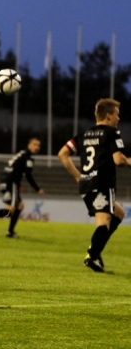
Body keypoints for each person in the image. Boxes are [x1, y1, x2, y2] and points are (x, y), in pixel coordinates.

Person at [58, 98, 129, 272]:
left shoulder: (84, 134)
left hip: (86, 184)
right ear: (108, 115)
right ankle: (91, 255)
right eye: (117, 115)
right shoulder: (112, 133)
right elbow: (118, 160)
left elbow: (62, 154)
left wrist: (77, 176)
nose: (118, 119)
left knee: (118, 213)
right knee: (104, 222)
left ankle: (96, 249)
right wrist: (128, 160)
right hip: (102, 183)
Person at [0, 137, 45, 237]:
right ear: (29, 145)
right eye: (34, 144)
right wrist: (37, 188)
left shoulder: (22, 154)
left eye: (38, 145)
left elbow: (15, 168)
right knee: (19, 206)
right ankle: (8, 231)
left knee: (10, 211)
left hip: (5, 181)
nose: (36, 147)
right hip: (11, 183)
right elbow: (28, 175)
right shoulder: (28, 157)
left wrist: (18, 184)